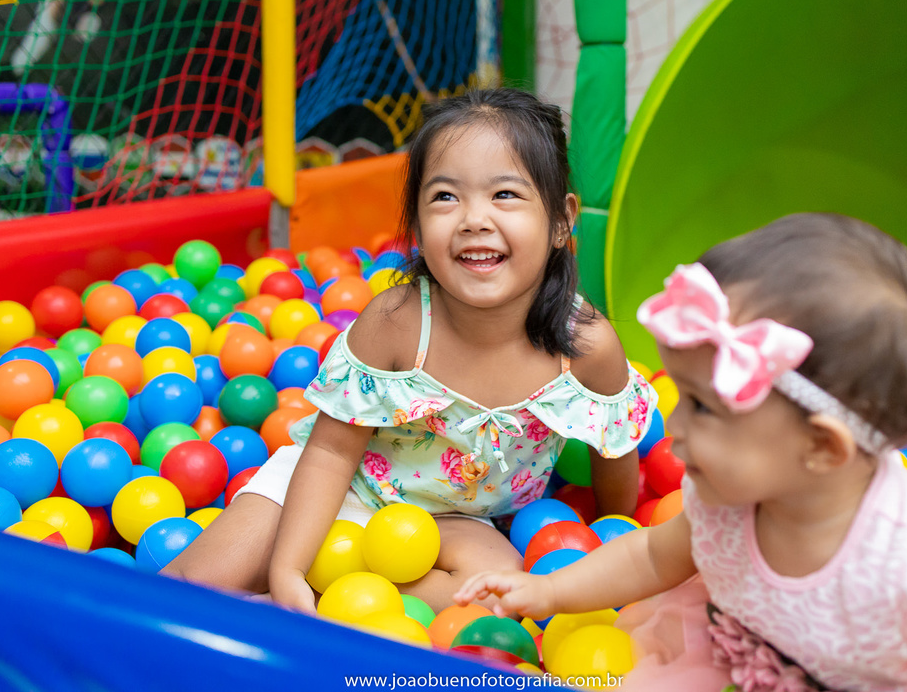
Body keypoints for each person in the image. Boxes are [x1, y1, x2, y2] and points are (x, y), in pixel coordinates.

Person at [457, 213, 907, 691]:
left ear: (820, 446)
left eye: (704, 407)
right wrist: (549, 593)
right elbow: (652, 556)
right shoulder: (727, 497)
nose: (673, 428)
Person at [165, 87, 656, 613]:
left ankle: (334, 598)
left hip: (455, 522)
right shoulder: (398, 321)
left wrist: (611, 531)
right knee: (184, 591)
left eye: (505, 195)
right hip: (342, 489)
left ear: (562, 220)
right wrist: (290, 568)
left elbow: (615, 452)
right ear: (417, 225)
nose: (474, 219)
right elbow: (331, 453)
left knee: (502, 595)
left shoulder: (584, 345)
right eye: (445, 197)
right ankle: (306, 593)